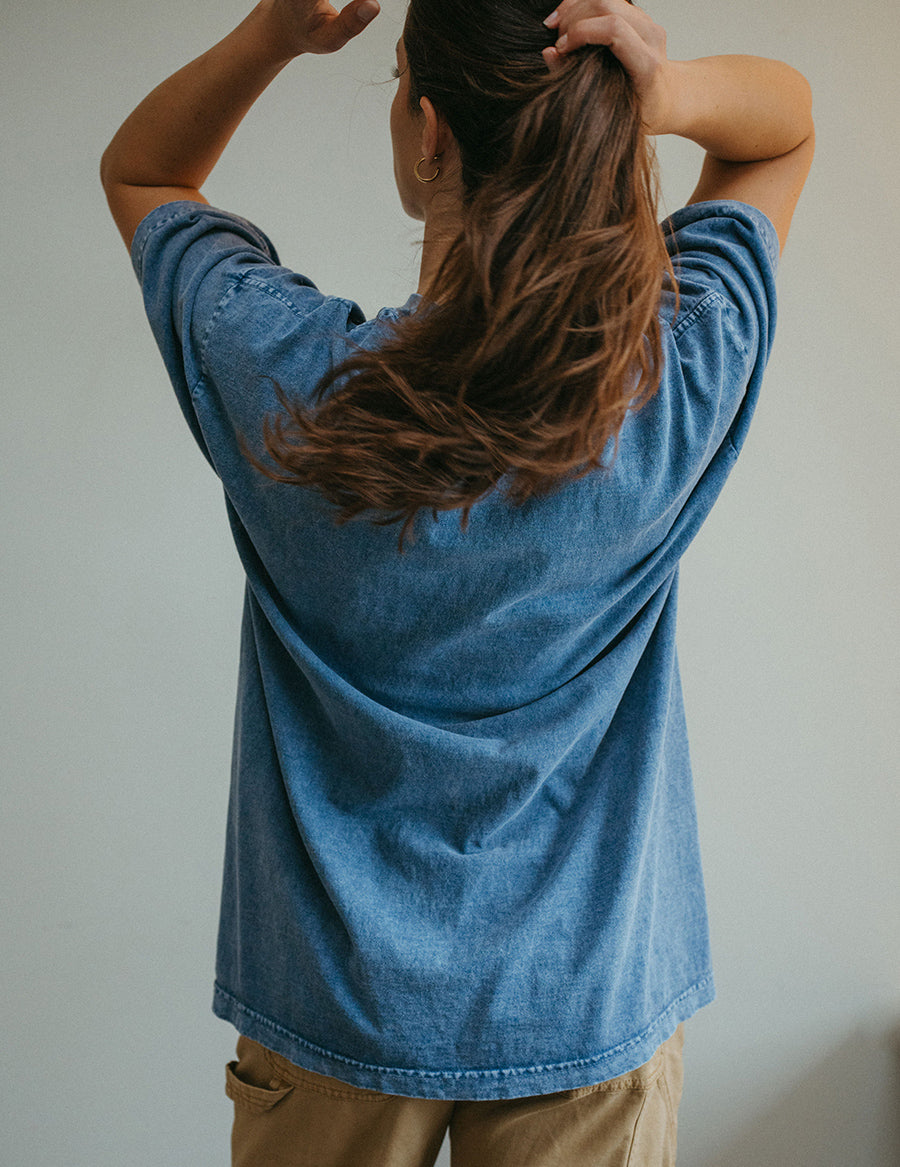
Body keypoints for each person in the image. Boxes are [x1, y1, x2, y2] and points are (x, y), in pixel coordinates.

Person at [101, 0, 814, 1162]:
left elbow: (143, 172)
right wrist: (663, 94)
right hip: (585, 1014)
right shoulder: (664, 388)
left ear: (430, 132)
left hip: (334, 1014)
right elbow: (781, 132)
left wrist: (271, 36)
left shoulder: (290, 390)